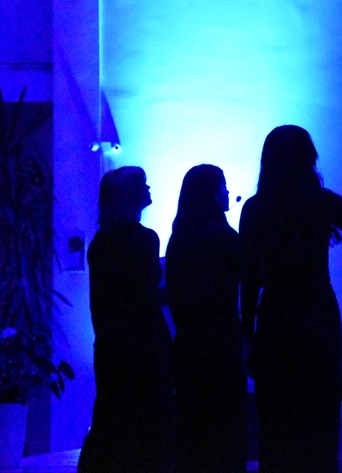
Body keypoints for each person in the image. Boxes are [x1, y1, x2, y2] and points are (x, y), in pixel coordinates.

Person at [239, 125, 342, 472]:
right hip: (317, 315)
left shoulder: (254, 208)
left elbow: (250, 279)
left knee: (277, 421)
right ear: (308, 158)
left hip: (275, 318)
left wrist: (248, 335)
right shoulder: (323, 201)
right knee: (318, 415)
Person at [78, 166, 173, 473]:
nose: (149, 188)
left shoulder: (99, 243)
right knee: (148, 423)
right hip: (146, 345)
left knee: (109, 420)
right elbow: (145, 296)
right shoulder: (144, 238)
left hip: (110, 346)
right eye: (143, 184)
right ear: (131, 195)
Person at [165, 164, 248, 473]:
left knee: (192, 431)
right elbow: (253, 274)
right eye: (223, 187)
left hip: (187, 344)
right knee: (226, 432)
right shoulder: (225, 237)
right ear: (214, 194)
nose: (227, 192)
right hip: (223, 343)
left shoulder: (178, 239)